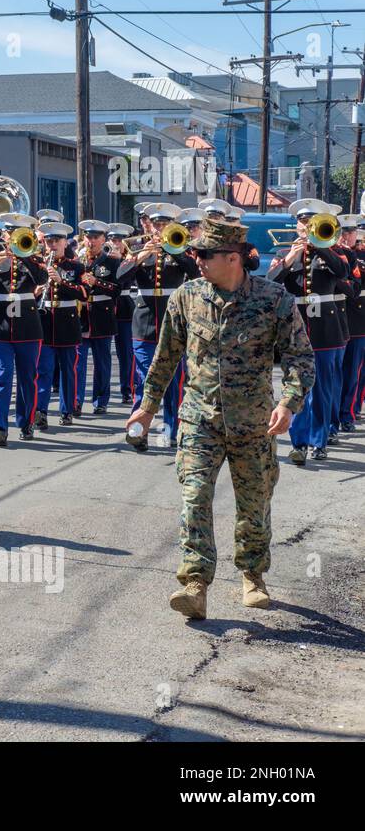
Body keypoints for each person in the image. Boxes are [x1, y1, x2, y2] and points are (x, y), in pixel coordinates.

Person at [127, 217, 314, 621]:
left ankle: (252, 575)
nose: (197, 261)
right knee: (195, 498)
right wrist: (147, 405)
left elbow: (300, 358)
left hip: (254, 424)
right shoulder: (187, 298)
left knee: (255, 503)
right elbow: (165, 357)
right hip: (199, 420)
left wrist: (289, 403)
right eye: (196, 253)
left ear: (232, 258)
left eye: (204, 255)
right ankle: (195, 584)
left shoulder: (274, 299)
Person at [269, 198, 348, 465]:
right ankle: (298, 443)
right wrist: (291, 256)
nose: (307, 225)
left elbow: (343, 270)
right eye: (303, 221)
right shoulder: (285, 253)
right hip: (296, 330)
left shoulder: (334, 251)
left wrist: (321, 247)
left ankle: (319, 441)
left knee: (322, 390)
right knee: (296, 389)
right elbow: (271, 281)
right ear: (298, 224)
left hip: (326, 330)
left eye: (311, 221)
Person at [117, 202, 199, 450]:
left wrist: (174, 250)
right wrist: (142, 255)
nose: (159, 228)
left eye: (164, 224)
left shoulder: (181, 248)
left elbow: (195, 272)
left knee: (174, 382)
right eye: (156, 224)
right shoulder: (137, 248)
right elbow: (120, 277)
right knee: (144, 381)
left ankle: (171, 430)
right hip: (143, 325)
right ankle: (138, 429)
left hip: (174, 326)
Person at [0, 213, 47, 447]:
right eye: (10, 232)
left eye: (18, 232)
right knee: (1, 377)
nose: (13, 236)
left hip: (27, 325)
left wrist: (23, 254)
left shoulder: (35, 257)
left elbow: (41, 278)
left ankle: (26, 423)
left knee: (28, 378)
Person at [34, 222, 87, 429]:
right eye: (49, 241)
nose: (53, 245)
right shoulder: (38, 265)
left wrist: (62, 282)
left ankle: (67, 410)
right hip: (45, 321)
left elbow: (84, 294)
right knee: (44, 369)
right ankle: (41, 410)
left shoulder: (76, 266)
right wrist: (36, 291)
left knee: (68, 370)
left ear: (65, 242)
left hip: (68, 322)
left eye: (57, 241)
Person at [75, 220, 118, 415]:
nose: (90, 241)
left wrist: (97, 282)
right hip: (81, 316)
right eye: (88, 237)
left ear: (103, 239)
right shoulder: (77, 260)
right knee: (78, 363)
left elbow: (118, 290)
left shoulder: (112, 262)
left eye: (95, 238)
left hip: (102, 315)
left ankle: (101, 400)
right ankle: (75, 400)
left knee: (102, 363)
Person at [337, 216, 365, 432]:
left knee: (353, 372)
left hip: (357, 321)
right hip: (335, 319)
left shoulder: (361, 256)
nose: (346, 236)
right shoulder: (332, 253)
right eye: (343, 232)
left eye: (350, 232)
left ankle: (347, 413)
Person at [105, 223, 137, 404]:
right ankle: (104, 392)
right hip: (108, 307)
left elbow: (125, 280)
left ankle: (128, 388)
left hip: (125, 306)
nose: (114, 243)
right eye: (111, 239)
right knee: (105, 354)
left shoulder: (132, 258)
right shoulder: (105, 257)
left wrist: (119, 260)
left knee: (126, 353)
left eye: (118, 240)